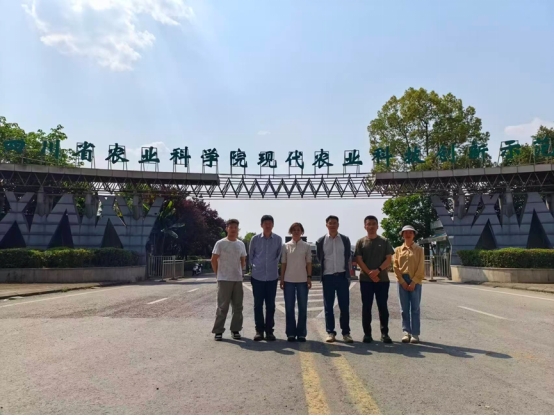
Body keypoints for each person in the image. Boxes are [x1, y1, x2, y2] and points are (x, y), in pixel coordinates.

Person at [354, 215, 395, 344]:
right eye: (368, 224)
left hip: (382, 280)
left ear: (377, 226)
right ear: (365, 226)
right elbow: (359, 260)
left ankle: (385, 333)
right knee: (366, 307)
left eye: (373, 224)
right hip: (366, 281)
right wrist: (369, 273)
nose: (371, 226)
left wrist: (377, 270)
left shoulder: (384, 241)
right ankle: (367, 334)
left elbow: (389, 259)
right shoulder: (360, 242)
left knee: (383, 307)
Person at [316, 215, 353, 343]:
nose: (332, 225)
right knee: (328, 307)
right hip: (328, 277)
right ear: (326, 225)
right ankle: (330, 332)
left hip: (342, 276)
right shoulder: (321, 241)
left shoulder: (345, 239)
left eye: (334, 223)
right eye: (330, 223)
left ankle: (346, 333)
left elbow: (348, 256)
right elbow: (319, 258)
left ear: (338, 225)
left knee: (344, 306)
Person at [211, 219, 247, 341]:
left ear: (238, 229)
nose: (233, 229)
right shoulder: (220, 243)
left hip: (237, 279)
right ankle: (218, 331)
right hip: (224, 279)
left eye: (235, 227)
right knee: (222, 307)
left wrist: (240, 273)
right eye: (231, 227)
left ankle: (235, 330)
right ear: (227, 228)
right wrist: (218, 274)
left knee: (238, 307)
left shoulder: (241, 244)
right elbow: (213, 259)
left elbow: (243, 260)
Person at [249, 215, 283, 341]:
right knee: (258, 305)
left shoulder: (278, 239)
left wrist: (274, 267)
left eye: (270, 223)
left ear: (273, 225)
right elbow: (251, 255)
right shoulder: (255, 239)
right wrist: (254, 267)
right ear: (261, 225)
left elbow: (279, 256)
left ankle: (269, 331)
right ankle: (259, 331)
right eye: (265, 223)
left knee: (271, 305)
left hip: (272, 277)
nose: (267, 225)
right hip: (257, 276)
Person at [280, 222, 312, 342]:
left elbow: (309, 263)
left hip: (302, 280)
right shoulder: (285, 246)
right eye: (294, 230)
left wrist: (309, 277)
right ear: (291, 232)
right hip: (288, 280)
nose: (296, 232)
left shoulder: (306, 246)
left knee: (302, 307)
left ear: (302, 232)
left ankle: (302, 333)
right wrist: (282, 279)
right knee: (289, 308)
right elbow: (283, 263)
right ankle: (291, 333)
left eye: (298, 230)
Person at [393, 225, 425, 344]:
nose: (407, 234)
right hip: (402, 280)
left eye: (410, 232)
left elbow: (421, 267)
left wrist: (414, 281)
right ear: (402, 235)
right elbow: (395, 266)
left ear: (414, 235)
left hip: (415, 280)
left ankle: (415, 334)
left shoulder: (419, 250)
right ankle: (406, 332)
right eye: (405, 232)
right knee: (404, 308)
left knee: (415, 308)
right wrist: (402, 281)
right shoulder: (398, 250)